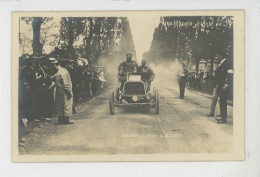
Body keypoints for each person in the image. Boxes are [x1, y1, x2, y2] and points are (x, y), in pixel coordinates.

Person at [50, 58, 74, 125]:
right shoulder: (64, 72)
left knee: (60, 106)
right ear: (66, 65)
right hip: (64, 91)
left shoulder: (59, 71)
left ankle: (60, 120)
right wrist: (69, 92)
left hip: (59, 91)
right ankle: (65, 120)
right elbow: (65, 83)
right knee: (66, 105)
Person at [215, 52, 229, 124]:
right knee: (221, 102)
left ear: (221, 56)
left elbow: (230, 76)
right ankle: (222, 117)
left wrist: (226, 85)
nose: (217, 57)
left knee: (223, 102)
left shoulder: (227, 63)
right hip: (220, 85)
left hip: (224, 86)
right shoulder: (221, 64)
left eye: (218, 56)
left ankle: (224, 119)